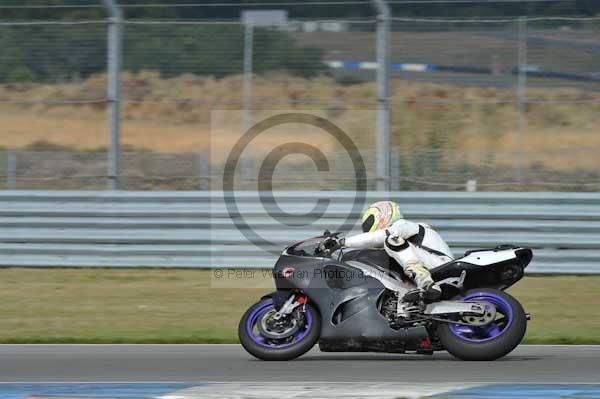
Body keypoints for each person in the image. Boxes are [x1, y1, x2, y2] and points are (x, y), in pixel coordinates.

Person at [340, 201, 453, 299]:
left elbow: (382, 236)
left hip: (440, 266)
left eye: (370, 222)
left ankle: (424, 281)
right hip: (435, 266)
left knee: (392, 240)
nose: (369, 228)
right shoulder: (411, 233)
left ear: (383, 214)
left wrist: (343, 242)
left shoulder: (405, 225)